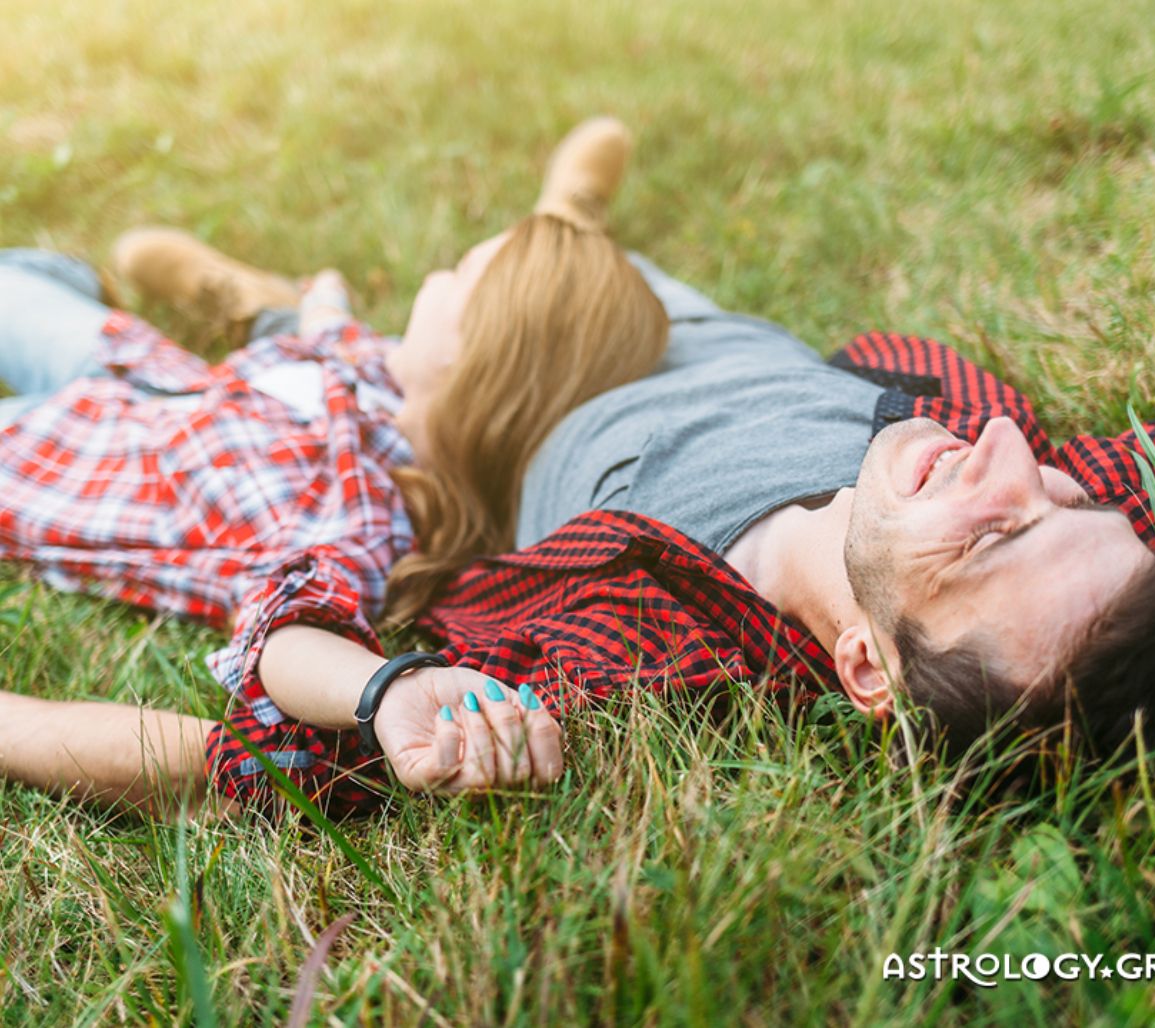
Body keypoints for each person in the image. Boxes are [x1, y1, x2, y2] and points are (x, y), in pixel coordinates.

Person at [0, 118, 671, 813]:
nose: (440, 270)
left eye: (461, 271)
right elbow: (337, 348)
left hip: (51, 459)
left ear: (465, 357)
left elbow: (291, 634)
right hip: (153, 370)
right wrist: (322, 305)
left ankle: (242, 299)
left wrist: (384, 689)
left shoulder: (363, 508)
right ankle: (252, 298)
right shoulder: (392, 375)